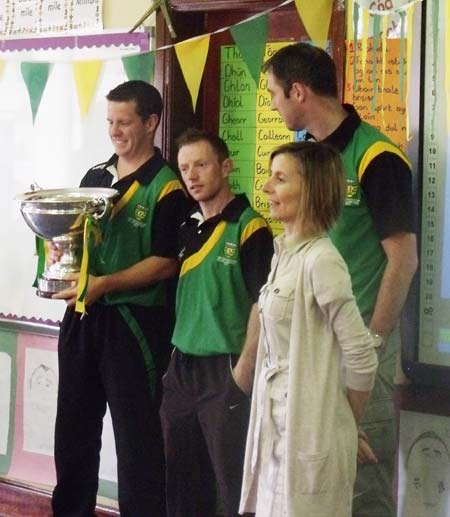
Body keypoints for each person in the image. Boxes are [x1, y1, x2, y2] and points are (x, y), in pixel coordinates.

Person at [262, 42, 418, 516]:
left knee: (361, 485)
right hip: (307, 352)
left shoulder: (375, 156)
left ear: (299, 91)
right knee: (310, 484)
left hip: (358, 350)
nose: (271, 103)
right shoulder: (304, 159)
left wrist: (371, 343)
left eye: (273, 93)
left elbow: (403, 261)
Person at [50, 80, 189, 517]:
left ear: (151, 122)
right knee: (72, 429)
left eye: (124, 122)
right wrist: (61, 250)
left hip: (135, 325)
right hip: (82, 315)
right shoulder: (95, 177)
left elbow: (167, 263)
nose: (115, 131)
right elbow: (76, 235)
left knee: (136, 438)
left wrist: (107, 284)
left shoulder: (168, 187)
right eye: (110, 121)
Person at [239, 141, 379, 516]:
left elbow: (362, 358)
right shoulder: (283, 252)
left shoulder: (322, 260)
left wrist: (341, 423)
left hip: (309, 436)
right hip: (276, 431)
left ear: (312, 190)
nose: (267, 187)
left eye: (280, 178)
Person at [159, 128, 273, 517]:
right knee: (180, 480)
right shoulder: (187, 227)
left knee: (230, 484)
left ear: (226, 167)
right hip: (181, 370)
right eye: (184, 168)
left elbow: (264, 303)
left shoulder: (250, 226)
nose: (192, 176)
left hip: (224, 369)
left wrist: (243, 371)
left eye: (202, 165)